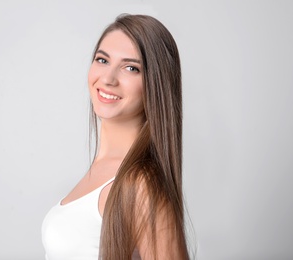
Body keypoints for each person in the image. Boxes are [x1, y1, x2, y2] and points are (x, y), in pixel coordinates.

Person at [42, 14, 190, 259]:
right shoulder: (102, 170)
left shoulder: (141, 185)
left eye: (131, 68)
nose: (108, 79)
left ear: (156, 84)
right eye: (102, 60)